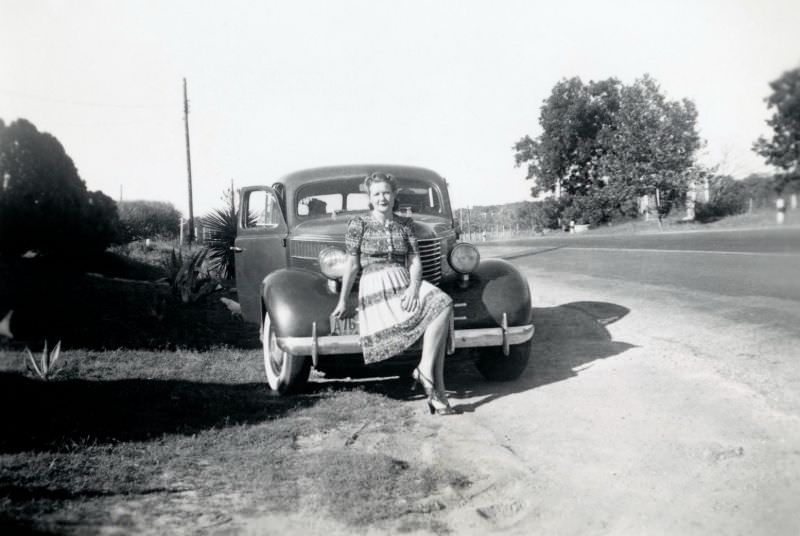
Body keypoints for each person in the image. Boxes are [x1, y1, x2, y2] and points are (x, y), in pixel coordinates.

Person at [331, 172, 456, 415]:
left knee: (443, 302)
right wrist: (343, 299)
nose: (382, 198)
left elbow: (415, 261)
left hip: (403, 282)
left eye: (386, 192)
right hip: (375, 285)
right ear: (369, 197)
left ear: (394, 194)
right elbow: (352, 265)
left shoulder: (405, 224)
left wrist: (413, 287)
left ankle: (425, 371)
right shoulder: (359, 224)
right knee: (439, 321)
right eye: (376, 194)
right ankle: (437, 394)